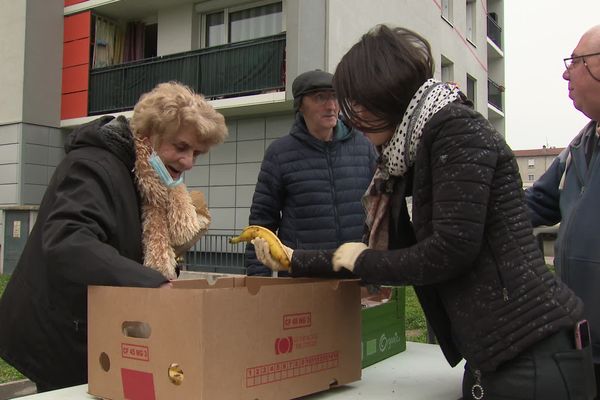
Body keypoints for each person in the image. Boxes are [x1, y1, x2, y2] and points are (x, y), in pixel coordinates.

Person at [252, 25, 597, 399]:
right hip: (497, 353)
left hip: (532, 352)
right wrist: (293, 259)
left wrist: (361, 260)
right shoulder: (409, 153)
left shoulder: (456, 130)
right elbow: (385, 250)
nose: (351, 117)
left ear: (383, 95)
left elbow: (448, 251)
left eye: (357, 104)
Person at [0, 81, 227, 392]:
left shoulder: (145, 176)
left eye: (197, 153)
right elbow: (68, 240)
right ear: (149, 135)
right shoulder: (92, 165)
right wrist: (153, 282)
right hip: (58, 334)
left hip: (93, 327)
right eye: (181, 147)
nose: (188, 162)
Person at [525, 24, 600, 396]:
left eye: (576, 62)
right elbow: (531, 206)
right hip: (583, 343)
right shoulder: (579, 147)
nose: (565, 72)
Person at [245, 69, 377, 276]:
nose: (331, 106)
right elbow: (262, 222)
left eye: (335, 96)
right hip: (302, 277)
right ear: (300, 105)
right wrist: (257, 283)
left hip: (356, 274)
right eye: (320, 97)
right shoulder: (280, 153)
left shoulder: (364, 146)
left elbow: (380, 209)